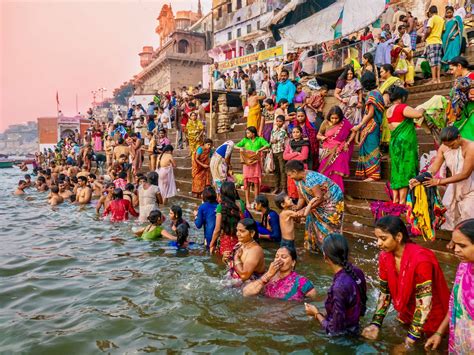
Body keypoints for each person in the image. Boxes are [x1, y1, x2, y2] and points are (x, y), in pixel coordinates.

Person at [362, 216, 450, 349]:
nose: (378, 243)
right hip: (407, 312)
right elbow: (385, 294)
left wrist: (407, 343)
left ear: (398, 236)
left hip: (433, 316)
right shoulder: (385, 256)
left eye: (383, 238)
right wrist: (375, 324)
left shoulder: (421, 260)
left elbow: (424, 305)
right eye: (377, 238)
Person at [410, 126, 474, 230]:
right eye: (447, 145)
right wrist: (420, 178)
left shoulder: (471, 147)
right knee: (449, 212)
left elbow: (465, 174)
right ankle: (455, 240)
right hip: (455, 185)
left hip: (471, 186)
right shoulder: (444, 147)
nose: (450, 148)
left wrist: (439, 181)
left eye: (452, 145)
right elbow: (434, 168)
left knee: (468, 215)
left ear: (459, 137)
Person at [425, 219, 474, 353]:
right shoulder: (464, 266)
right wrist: (439, 333)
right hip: (460, 340)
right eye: (454, 244)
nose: (455, 250)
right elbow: (455, 303)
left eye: (462, 246)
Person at [305, 234, 367, 336]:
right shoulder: (357, 271)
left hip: (344, 339)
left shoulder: (339, 286)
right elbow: (361, 304)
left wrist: (316, 314)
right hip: (355, 327)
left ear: (325, 256)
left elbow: (334, 330)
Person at [286, 160, 344, 252]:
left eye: (290, 175)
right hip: (315, 202)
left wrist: (305, 209)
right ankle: (314, 247)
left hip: (331, 200)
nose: (290, 177)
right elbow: (301, 197)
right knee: (312, 221)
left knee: (329, 225)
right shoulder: (297, 180)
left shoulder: (311, 178)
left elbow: (319, 198)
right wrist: (297, 209)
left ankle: (332, 250)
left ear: (295, 172)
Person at [386, 86, 424, 205]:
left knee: (396, 170)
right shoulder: (402, 107)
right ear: (402, 97)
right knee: (405, 169)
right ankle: (402, 201)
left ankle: (395, 199)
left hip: (395, 142)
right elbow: (418, 115)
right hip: (405, 143)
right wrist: (423, 109)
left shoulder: (388, 110)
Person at [243, 246, 317, 300]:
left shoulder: (301, 282)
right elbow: (246, 293)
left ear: (293, 263)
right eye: (277, 256)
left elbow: (314, 301)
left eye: (284, 257)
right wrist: (268, 275)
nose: (279, 260)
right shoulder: (268, 278)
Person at [353, 72, 385, 181]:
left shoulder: (372, 94)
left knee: (372, 149)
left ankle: (374, 175)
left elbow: (370, 113)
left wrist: (359, 125)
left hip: (372, 126)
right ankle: (369, 173)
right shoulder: (378, 92)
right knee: (369, 148)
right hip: (374, 125)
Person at [317, 106, 355, 193]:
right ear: (329, 116)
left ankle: (337, 194)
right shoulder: (325, 123)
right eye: (332, 118)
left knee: (336, 173)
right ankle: (325, 193)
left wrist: (348, 142)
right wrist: (322, 137)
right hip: (327, 151)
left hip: (339, 151)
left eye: (336, 118)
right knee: (324, 170)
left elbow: (353, 131)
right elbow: (318, 135)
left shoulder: (344, 123)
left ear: (340, 117)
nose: (334, 120)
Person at [235, 126, 270, 209]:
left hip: (255, 163)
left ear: (253, 133)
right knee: (247, 184)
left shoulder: (259, 139)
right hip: (247, 164)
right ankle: (247, 201)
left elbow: (267, 145)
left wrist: (260, 149)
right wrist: (241, 148)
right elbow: (235, 146)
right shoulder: (245, 140)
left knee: (256, 183)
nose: (247, 134)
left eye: (248, 133)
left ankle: (255, 201)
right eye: (246, 133)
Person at [223, 218, 265, 284]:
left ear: (252, 233)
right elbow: (231, 265)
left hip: (248, 288)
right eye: (237, 230)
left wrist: (236, 258)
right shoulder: (239, 244)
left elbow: (244, 276)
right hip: (233, 283)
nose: (237, 234)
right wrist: (225, 258)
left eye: (242, 231)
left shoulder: (255, 251)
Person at [209, 182, 246, 254]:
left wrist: (212, 243)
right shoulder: (241, 204)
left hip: (225, 241)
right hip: (240, 240)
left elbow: (217, 229)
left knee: (225, 261)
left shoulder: (220, 207)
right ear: (234, 192)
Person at [283, 126, 309, 200]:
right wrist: (296, 153)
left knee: (300, 187)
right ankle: (293, 201)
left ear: (301, 133)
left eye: (297, 132)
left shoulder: (305, 144)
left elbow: (303, 157)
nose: (295, 134)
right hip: (291, 169)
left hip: (300, 168)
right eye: (293, 132)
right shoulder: (290, 144)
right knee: (292, 186)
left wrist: (291, 157)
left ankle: (301, 202)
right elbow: (284, 156)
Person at [424, 6, 445, 84]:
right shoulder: (441, 19)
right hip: (439, 42)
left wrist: (424, 37)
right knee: (438, 61)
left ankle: (433, 79)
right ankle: (438, 79)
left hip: (431, 41)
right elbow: (443, 31)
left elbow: (428, 30)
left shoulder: (431, 19)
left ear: (430, 12)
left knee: (433, 61)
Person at [269, 115, 288, 194]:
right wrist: (273, 141)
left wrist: (274, 140)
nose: (278, 122)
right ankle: (277, 187)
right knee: (276, 170)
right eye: (277, 121)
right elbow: (271, 141)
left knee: (282, 170)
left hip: (281, 152)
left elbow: (280, 140)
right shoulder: (273, 131)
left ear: (283, 122)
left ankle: (284, 189)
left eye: (280, 121)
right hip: (274, 152)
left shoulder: (283, 131)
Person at [442, 6, 463, 71]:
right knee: (447, 54)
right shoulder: (444, 21)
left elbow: (460, 28)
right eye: (447, 13)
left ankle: (454, 67)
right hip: (446, 41)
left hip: (454, 38)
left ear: (453, 12)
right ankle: (449, 68)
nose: (449, 14)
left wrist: (454, 35)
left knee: (454, 52)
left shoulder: (457, 18)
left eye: (450, 12)